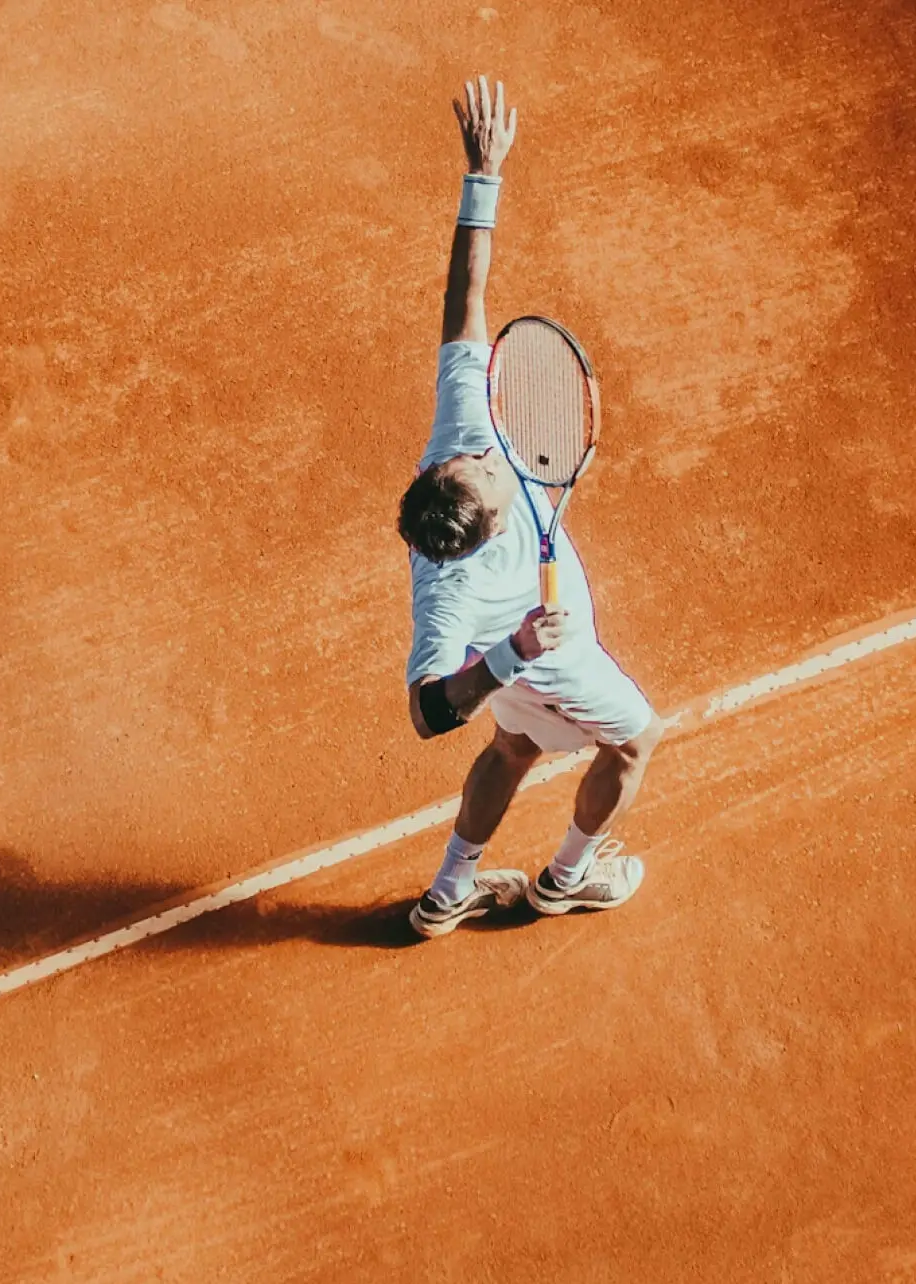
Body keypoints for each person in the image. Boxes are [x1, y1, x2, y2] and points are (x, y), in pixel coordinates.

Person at [397, 75, 663, 938]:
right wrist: (512, 656)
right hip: (546, 661)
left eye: (474, 458)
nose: (488, 454)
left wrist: (485, 174)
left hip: (518, 667)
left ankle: (448, 893)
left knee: (513, 746)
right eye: (486, 474)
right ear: (486, 529)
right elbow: (429, 711)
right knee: (634, 740)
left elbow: (462, 305)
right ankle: (565, 878)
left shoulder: (458, 438)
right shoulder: (450, 594)